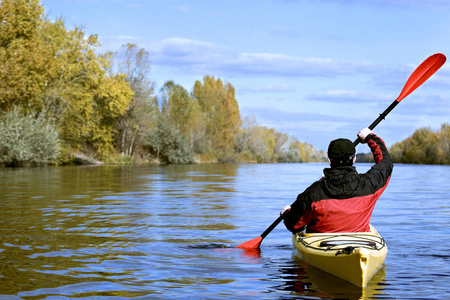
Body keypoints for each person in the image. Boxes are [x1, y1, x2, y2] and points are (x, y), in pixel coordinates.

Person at [281, 127, 393, 233]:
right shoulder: (370, 184)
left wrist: (287, 214)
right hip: (360, 243)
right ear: (354, 159)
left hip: (322, 245)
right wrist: (370, 137)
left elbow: (294, 225)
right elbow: (386, 163)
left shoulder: (313, 193)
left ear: (329, 160)